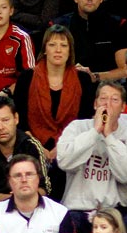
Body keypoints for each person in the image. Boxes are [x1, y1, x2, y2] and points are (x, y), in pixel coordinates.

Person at [55, 81, 127, 233]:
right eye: (103, 99)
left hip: (116, 212)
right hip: (77, 210)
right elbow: (64, 162)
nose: (108, 104)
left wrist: (109, 136)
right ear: (95, 104)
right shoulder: (76, 127)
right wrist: (95, 131)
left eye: (114, 100)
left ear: (123, 107)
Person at [12, 26, 94, 165]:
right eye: (52, 45)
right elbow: (20, 120)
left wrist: (61, 148)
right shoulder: (27, 78)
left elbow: (85, 121)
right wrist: (39, 148)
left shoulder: (83, 80)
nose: (58, 50)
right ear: (45, 49)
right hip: (30, 147)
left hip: (72, 148)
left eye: (63, 45)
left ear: (70, 51)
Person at [0, 97, 51, 206]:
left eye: (5, 120)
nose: (0, 127)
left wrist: (23, 197)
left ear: (16, 119)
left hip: (30, 203)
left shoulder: (31, 145)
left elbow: (45, 187)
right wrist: (12, 199)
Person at [52, 0, 127, 81]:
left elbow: (125, 70)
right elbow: (49, 65)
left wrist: (94, 76)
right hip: (67, 84)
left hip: (106, 88)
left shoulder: (119, 25)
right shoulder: (58, 26)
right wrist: (73, 73)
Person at [0, 155, 68, 233]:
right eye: (17, 175)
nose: (24, 180)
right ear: (9, 181)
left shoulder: (60, 213)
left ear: (38, 178)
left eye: (29, 174)